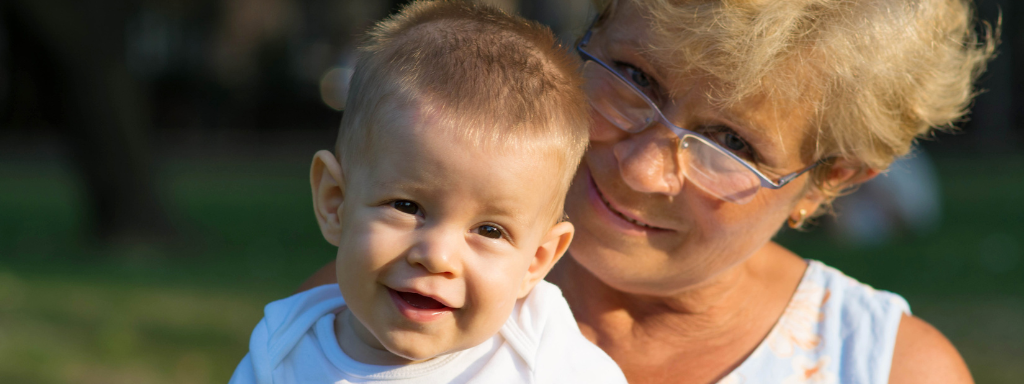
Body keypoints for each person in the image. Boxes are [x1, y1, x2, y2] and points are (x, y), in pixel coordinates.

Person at [301, 0, 996, 382]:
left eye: (731, 143)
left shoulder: (885, 371)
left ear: (831, 180)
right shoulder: (363, 312)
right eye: (635, 78)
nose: (641, 168)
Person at [229, 1, 629, 383]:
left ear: (536, 261)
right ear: (335, 202)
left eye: (490, 230)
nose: (437, 256)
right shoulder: (282, 354)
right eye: (407, 207)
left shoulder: (546, 359)